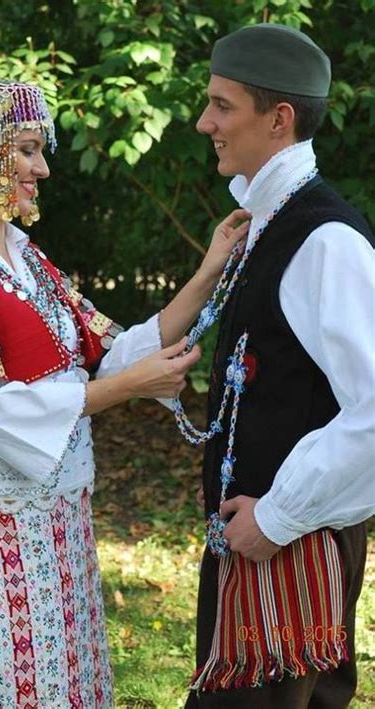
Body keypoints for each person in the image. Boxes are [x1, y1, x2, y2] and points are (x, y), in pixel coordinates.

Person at [0, 78, 249, 708]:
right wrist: (126, 388)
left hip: (59, 518)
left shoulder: (29, 258)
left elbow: (111, 349)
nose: (43, 168)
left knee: (65, 681)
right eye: (29, 150)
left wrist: (209, 270)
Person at [181, 23, 375, 708]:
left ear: (280, 119)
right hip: (257, 539)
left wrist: (281, 514)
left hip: (290, 547)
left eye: (223, 106)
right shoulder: (268, 220)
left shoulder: (326, 240)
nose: (205, 122)